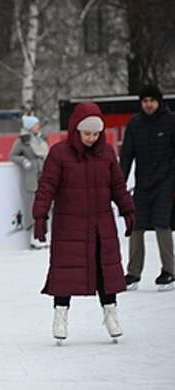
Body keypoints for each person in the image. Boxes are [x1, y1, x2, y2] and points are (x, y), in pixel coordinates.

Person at [32, 102, 135, 344]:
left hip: (101, 222)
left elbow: (118, 186)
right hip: (69, 224)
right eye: (87, 133)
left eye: (96, 133)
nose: (91, 138)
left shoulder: (107, 153)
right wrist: (40, 215)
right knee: (64, 272)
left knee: (105, 271)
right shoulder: (59, 153)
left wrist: (128, 210)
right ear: (76, 130)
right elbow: (47, 186)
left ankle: (111, 315)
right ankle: (60, 316)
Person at [119, 84, 175, 291]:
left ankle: (169, 271)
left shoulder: (171, 121)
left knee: (162, 224)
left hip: (166, 182)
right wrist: (118, 183)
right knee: (136, 225)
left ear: (159, 101)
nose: (148, 104)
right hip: (143, 184)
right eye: (145, 101)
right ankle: (133, 273)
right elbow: (126, 156)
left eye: (152, 100)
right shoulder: (135, 124)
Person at [9, 114, 50, 248]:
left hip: (44, 176)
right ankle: (34, 237)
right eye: (35, 125)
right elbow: (13, 155)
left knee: (45, 206)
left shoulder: (42, 139)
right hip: (31, 178)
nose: (38, 127)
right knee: (32, 207)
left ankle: (44, 234)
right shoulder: (22, 140)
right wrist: (24, 161)